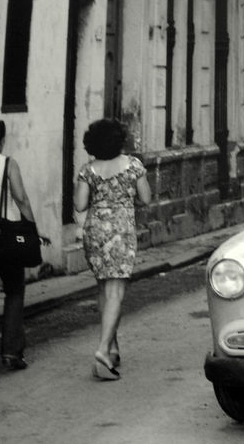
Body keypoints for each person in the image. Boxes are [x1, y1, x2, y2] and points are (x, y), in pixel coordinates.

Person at [74, 119, 151, 380]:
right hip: (121, 231)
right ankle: (103, 350)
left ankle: (113, 346)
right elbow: (146, 198)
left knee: (103, 288)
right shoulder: (133, 166)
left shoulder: (88, 170)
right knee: (116, 290)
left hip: (95, 231)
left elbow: (80, 205)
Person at [0, 119, 48, 375]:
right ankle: (11, 352)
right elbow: (21, 198)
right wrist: (32, 230)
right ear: (2, 141)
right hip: (1, 232)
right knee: (14, 289)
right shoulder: (8, 164)